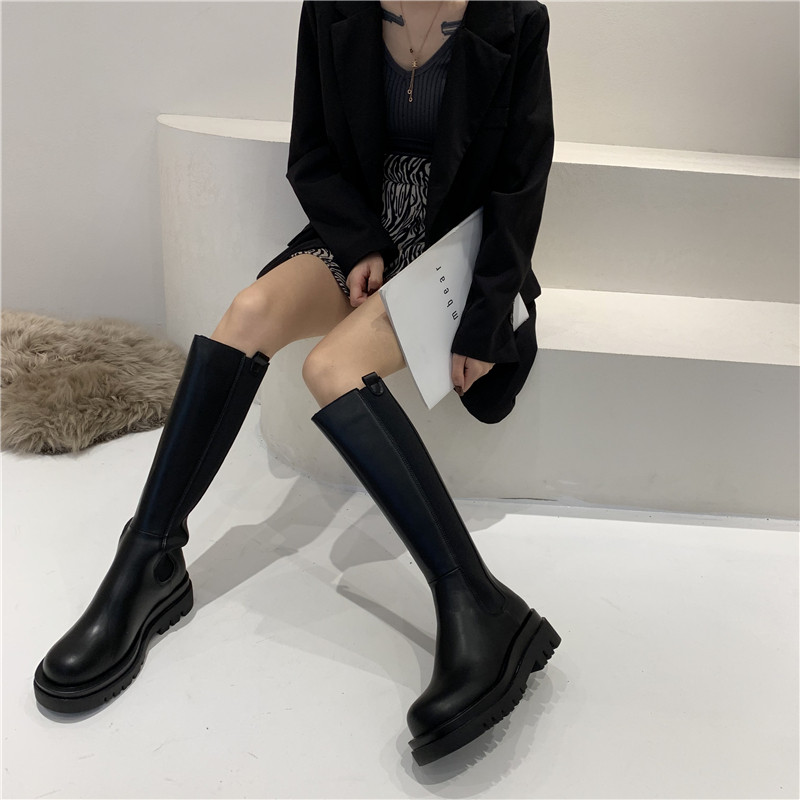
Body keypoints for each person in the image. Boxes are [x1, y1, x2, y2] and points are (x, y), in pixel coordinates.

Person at [33, 0, 560, 765]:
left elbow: (520, 182)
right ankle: (149, 558)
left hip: (458, 258)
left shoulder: (514, 20)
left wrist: (484, 321)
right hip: (364, 236)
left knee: (328, 367)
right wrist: (363, 242)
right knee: (247, 313)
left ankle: (482, 605)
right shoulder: (333, 10)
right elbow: (312, 153)